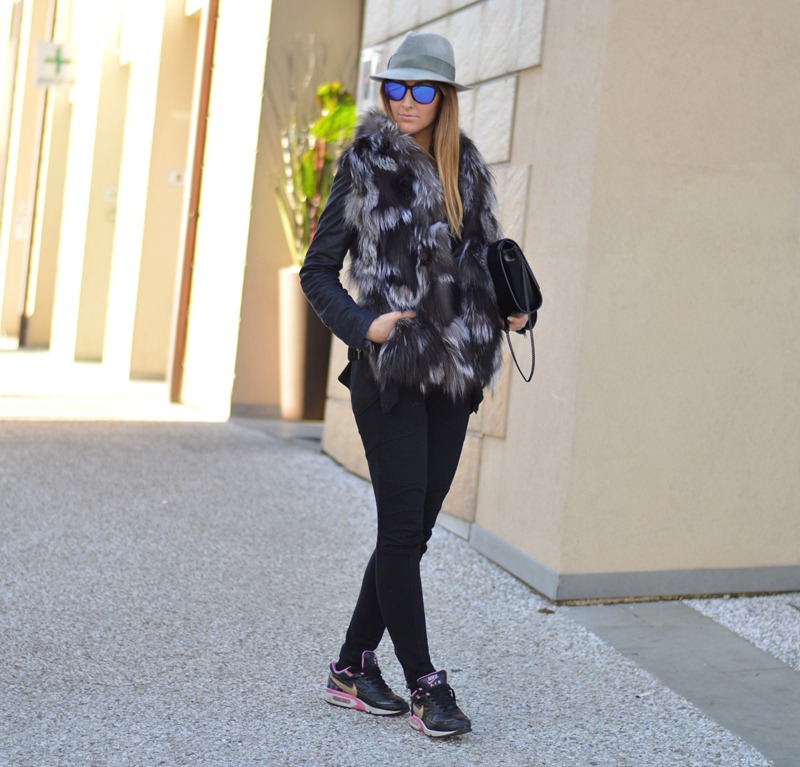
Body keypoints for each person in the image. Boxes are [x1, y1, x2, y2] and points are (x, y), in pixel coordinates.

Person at [299, 31, 527, 738]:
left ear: (444, 98)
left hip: (454, 376)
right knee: (400, 529)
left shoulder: (469, 171)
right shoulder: (364, 167)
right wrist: (363, 326)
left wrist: (510, 304)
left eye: (421, 89)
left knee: (414, 531)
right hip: (391, 372)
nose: (405, 101)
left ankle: (349, 667)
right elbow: (316, 271)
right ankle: (427, 683)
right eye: (394, 88)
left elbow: (478, 264)